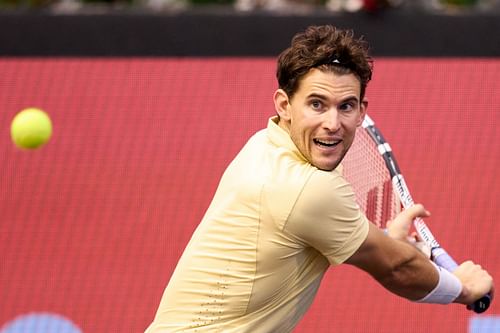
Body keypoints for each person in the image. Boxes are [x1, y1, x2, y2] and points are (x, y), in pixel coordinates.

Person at [145, 25, 494, 332]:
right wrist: (462, 287)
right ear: (284, 105)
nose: (332, 123)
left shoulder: (266, 144)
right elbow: (397, 268)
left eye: (345, 106)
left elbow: (358, 242)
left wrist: (389, 238)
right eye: (316, 104)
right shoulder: (308, 188)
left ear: (362, 112)